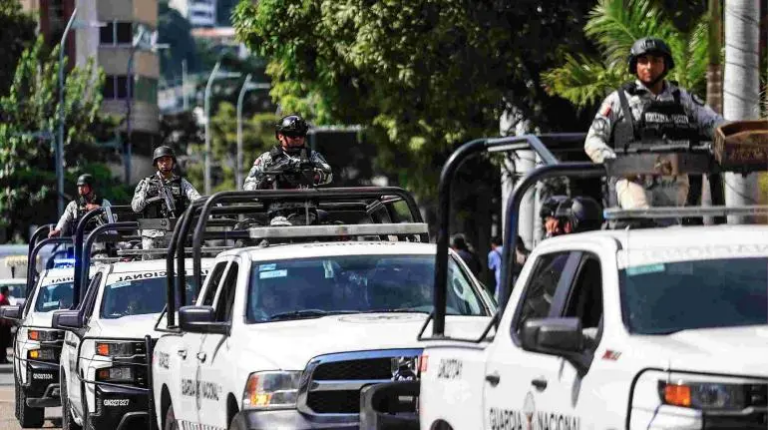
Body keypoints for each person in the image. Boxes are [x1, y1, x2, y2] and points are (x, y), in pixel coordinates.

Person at [584, 37, 725, 212]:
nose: (649, 67)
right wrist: (619, 164)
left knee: (669, 226)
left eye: (656, 61)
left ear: (666, 64)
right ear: (634, 65)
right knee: (641, 217)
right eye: (643, 61)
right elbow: (592, 141)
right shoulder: (618, 100)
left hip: (674, 178)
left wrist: (739, 137)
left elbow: (714, 122)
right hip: (633, 178)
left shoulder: (682, 98)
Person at [132, 146, 201, 250]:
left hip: (174, 234)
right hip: (152, 235)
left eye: (168, 160)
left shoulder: (181, 183)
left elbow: (197, 199)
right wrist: (150, 198)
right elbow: (135, 207)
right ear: (156, 163)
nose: (164, 163)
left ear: (173, 162)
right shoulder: (146, 183)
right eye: (161, 160)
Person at [243, 114, 333, 191]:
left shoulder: (311, 156)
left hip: (306, 203)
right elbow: (248, 186)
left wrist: (313, 174)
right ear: (280, 136)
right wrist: (262, 184)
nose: (298, 138)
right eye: (293, 135)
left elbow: (328, 175)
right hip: (276, 204)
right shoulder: (267, 159)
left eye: (301, 134)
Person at [49, 174, 111, 238]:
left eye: (83, 186)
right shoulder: (73, 205)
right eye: (79, 186)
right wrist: (58, 230)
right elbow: (64, 219)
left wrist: (99, 209)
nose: (80, 188)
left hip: (99, 240)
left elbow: (113, 219)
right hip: (79, 240)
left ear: (91, 187)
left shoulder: (103, 203)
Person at [0, 287, 10, 364]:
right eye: (8, 290)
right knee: (3, 342)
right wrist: (2, 319)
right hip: (3, 325)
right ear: (5, 291)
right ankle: (2, 358)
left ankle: (4, 357)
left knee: (5, 342)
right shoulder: (2, 299)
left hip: (6, 324)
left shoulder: (4, 299)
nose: (9, 292)